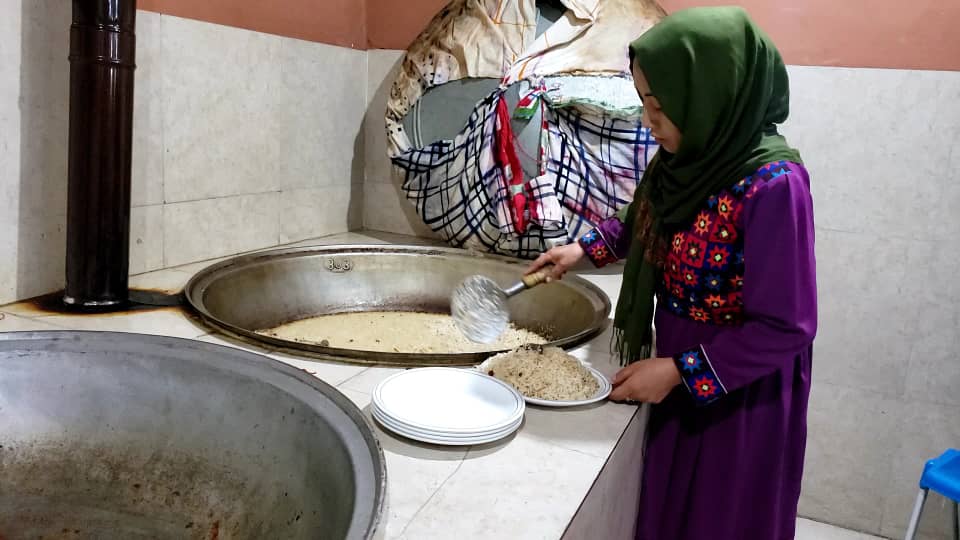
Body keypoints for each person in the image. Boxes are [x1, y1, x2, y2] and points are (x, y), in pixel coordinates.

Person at [526, 6, 817, 540]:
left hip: (739, 391)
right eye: (644, 104)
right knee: (669, 512)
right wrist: (581, 251)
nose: (648, 122)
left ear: (709, 97)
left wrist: (682, 371)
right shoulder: (683, 161)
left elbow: (788, 327)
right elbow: (646, 220)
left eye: (660, 108)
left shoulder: (774, 185)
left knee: (718, 518)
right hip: (677, 363)